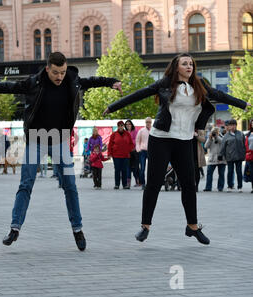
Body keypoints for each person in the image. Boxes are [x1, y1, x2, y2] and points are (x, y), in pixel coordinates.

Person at [0, 51, 122, 251]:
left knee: (70, 186)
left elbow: (92, 81)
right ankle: (15, 228)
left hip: (59, 141)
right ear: (47, 69)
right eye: (56, 72)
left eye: (63, 72)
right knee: (26, 183)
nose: (59, 77)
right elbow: (8, 87)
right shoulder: (34, 82)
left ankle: (77, 228)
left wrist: (112, 82)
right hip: (36, 140)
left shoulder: (72, 81)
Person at [103, 53, 250, 245]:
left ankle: (193, 227)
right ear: (176, 67)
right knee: (154, 183)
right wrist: (113, 107)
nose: (189, 66)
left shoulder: (199, 85)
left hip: (184, 140)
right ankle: (145, 226)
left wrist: (242, 104)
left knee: (189, 183)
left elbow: (219, 95)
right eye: (184, 64)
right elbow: (140, 94)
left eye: (191, 64)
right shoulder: (165, 84)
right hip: (161, 138)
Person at [219, 119, 246, 192]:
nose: (233, 127)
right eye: (231, 125)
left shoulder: (241, 134)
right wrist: (220, 155)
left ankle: (240, 187)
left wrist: (244, 154)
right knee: (230, 172)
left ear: (236, 126)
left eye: (234, 125)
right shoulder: (226, 136)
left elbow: (244, 145)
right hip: (229, 156)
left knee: (239, 172)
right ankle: (230, 186)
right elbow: (223, 146)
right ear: (229, 126)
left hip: (239, 156)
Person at [108, 121, 134, 190]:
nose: (120, 127)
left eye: (122, 125)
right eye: (119, 125)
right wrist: (109, 154)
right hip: (116, 155)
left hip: (125, 155)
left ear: (123, 126)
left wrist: (129, 150)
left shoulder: (127, 134)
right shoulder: (114, 134)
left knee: (124, 170)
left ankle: (125, 185)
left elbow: (131, 144)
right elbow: (110, 144)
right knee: (117, 170)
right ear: (117, 126)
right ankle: (117, 184)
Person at [203, 127, 226, 192]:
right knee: (209, 173)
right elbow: (206, 146)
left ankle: (220, 187)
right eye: (214, 132)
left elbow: (222, 142)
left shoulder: (222, 137)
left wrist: (216, 137)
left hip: (221, 158)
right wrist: (210, 139)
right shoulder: (210, 138)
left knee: (221, 174)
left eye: (216, 132)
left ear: (219, 132)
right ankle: (208, 187)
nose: (215, 133)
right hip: (212, 159)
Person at [136, 117, 152, 190]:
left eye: (149, 122)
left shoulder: (153, 130)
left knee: (151, 168)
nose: (148, 123)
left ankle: (150, 183)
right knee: (142, 168)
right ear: (145, 123)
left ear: (151, 123)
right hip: (142, 151)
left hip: (151, 151)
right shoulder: (141, 131)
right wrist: (138, 149)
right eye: (147, 122)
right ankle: (143, 183)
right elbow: (137, 141)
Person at [125, 119, 140, 187]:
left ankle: (138, 181)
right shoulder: (125, 132)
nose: (128, 125)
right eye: (127, 124)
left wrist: (130, 142)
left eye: (129, 124)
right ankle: (128, 183)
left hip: (135, 152)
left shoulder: (135, 131)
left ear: (131, 125)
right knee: (128, 167)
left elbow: (136, 140)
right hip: (127, 152)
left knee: (135, 167)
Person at [245, 119, 253, 193]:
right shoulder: (248, 134)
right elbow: (246, 145)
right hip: (250, 156)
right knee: (251, 172)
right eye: (252, 123)